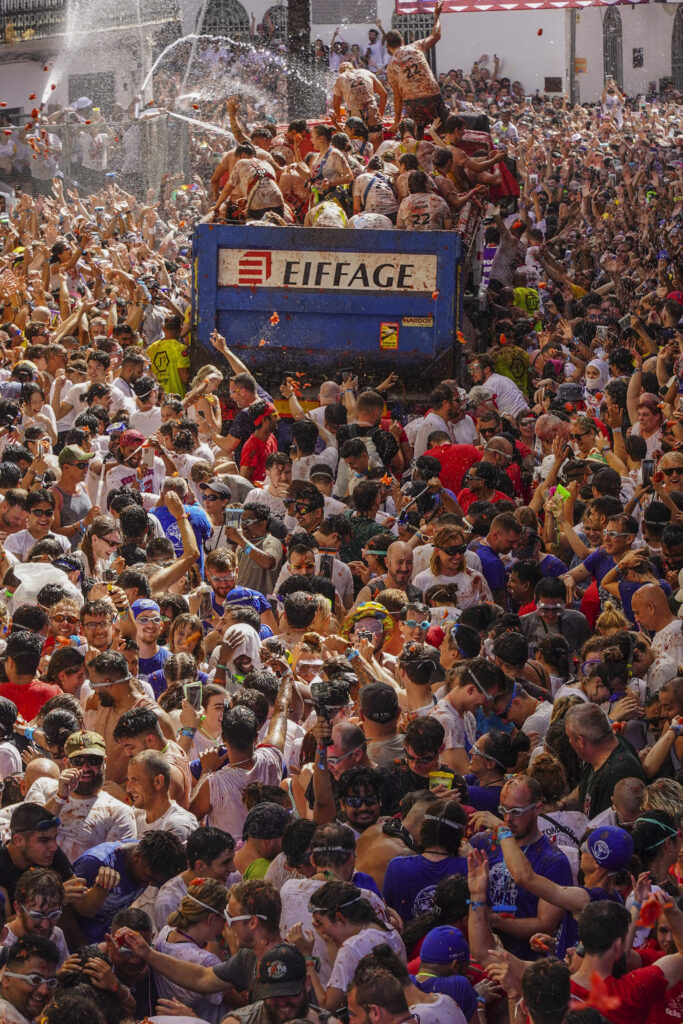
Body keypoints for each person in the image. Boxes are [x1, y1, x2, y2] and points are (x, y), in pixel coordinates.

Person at [23, 729, 136, 862]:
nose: (85, 768)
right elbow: (26, 834)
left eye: (93, 760)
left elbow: (115, 866)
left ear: (105, 762)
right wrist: (60, 797)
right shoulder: (43, 787)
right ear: (66, 762)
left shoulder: (120, 812)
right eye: (78, 761)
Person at [71, 829, 187, 943]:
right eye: (149, 877)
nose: (151, 884)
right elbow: (65, 912)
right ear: (137, 857)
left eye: (156, 882)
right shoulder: (96, 863)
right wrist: (84, 949)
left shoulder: (150, 861)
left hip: (107, 942)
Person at [564, 703, 647, 819]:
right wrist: (564, 804)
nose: (569, 741)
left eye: (569, 737)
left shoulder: (617, 772)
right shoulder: (595, 752)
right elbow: (584, 787)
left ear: (580, 741)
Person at [385, 1, 446, 138]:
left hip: (414, 103)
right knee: (445, 135)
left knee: (415, 139)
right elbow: (436, 35)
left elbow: (397, 97)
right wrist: (436, 17)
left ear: (388, 47)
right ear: (402, 40)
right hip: (433, 97)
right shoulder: (415, 46)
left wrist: (396, 121)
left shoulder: (391, 66)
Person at [125, 749, 198, 840]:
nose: (128, 788)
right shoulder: (135, 815)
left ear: (158, 782)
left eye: (135, 780)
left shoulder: (177, 825)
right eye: (128, 780)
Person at [0, 935, 59, 1024]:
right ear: (6, 979)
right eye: (35, 980)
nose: (44, 991)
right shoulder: (6, 1018)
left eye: (51, 982)